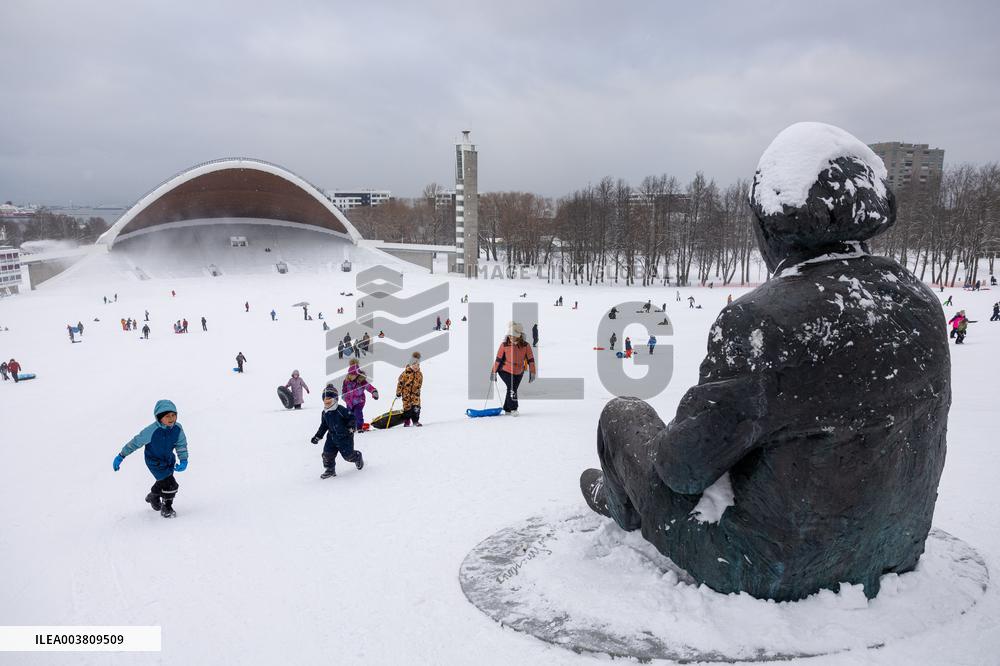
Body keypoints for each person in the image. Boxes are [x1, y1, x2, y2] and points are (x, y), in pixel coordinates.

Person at [112, 399, 188, 519]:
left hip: (168, 460)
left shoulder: (177, 428)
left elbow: (181, 444)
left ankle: (153, 496)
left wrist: (183, 459)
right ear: (159, 417)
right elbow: (135, 443)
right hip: (154, 462)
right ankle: (166, 508)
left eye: (173, 415)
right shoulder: (151, 431)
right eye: (167, 416)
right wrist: (121, 455)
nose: (171, 418)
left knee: (163, 481)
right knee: (170, 485)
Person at [310, 385, 363, 479]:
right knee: (327, 454)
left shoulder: (341, 410)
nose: (327, 401)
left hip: (345, 437)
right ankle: (330, 470)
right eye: (325, 399)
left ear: (335, 399)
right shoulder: (324, 413)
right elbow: (323, 426)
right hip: (332, 437)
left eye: (329, 399)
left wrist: (351, 427)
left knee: (348, 456)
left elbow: (352, 418)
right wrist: (318, 436)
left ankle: (357, 457)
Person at [490, 321, 536, 416]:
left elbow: (531, 359)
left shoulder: (526, 346)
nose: (511, 337)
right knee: (512, 387)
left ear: (519, 336)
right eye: (509, 335)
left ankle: (507, 408)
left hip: (519, 372)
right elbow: (498, 359)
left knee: (512, 388)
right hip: (505, 370)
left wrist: (533, 372)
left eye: (513, 336)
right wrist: (493, 372)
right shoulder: (504, 345)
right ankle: (514, 408)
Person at [342, 363, 379, 430]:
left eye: (352, 375)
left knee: (357, 414)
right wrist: (344, 396)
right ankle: (351, 428)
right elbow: (344, 390)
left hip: (359, 401)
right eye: (349, 374)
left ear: (357, 375)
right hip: (349, 402)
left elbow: (369, 387)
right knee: (349, 415)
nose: (350, 376)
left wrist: (374, 392)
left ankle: (359, 428)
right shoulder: (346, 381)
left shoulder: (362, 381)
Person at [396, 352, 424, 427]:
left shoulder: (420, 374)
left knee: (416, 409)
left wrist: (418, 391)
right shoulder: (405, 374)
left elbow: (420, 383)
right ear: (410, 365)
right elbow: (400, 383)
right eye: (414, 365)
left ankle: (415, 421)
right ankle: (407, 421)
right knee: (407, 409)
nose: (416, 367)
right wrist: (398, 393)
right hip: (406, 395)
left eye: (418, 365)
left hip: (415, 395)